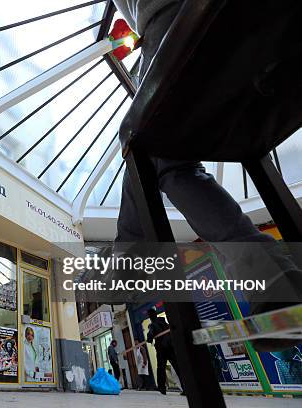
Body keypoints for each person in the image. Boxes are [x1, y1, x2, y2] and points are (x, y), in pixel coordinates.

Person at [112, 0, 302, 352]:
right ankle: (270, 272)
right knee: (163, 152)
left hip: (193, 22)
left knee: (152, 148)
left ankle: (128, 256)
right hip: (279, 32)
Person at [146, 308, 182, 395]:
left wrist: (149, 339)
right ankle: (186, 386)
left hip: (161, 349)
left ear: (150, 316)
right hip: (171, 347)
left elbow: (150, 335)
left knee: (161, 368)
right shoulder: (166, 324)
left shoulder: (153, 325)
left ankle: (162, 388)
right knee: (178, 367)